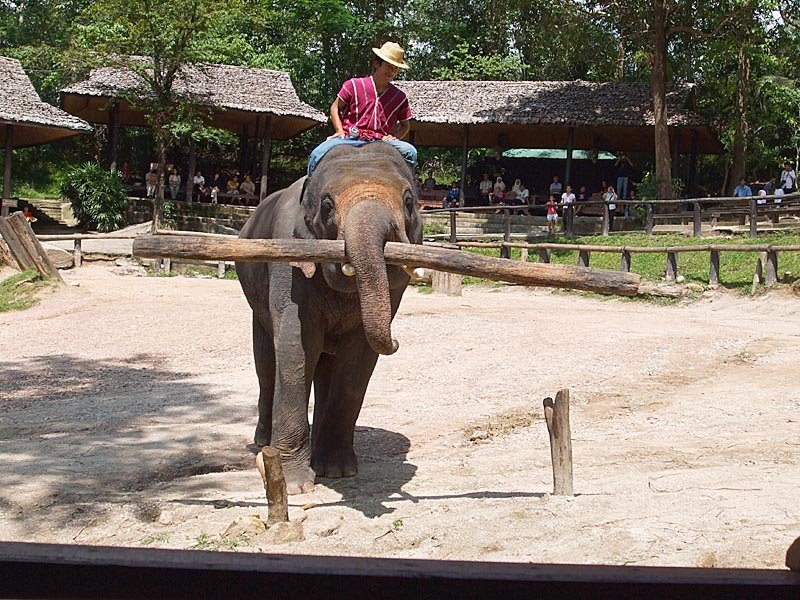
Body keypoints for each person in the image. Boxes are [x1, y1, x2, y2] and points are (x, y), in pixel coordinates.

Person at [307, 42, 417, 176]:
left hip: (381, 141)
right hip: (350, 137)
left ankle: (409, 192)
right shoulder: (353, 85)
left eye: (395, 69)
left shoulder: (400, 97)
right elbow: (335, 107)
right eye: (389, 66)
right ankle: (308, 190)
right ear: (377, 64)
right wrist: (339, 131)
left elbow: (406, 125)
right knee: (317, 154)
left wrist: (394, 137)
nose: (392, 72)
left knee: (411, 152)